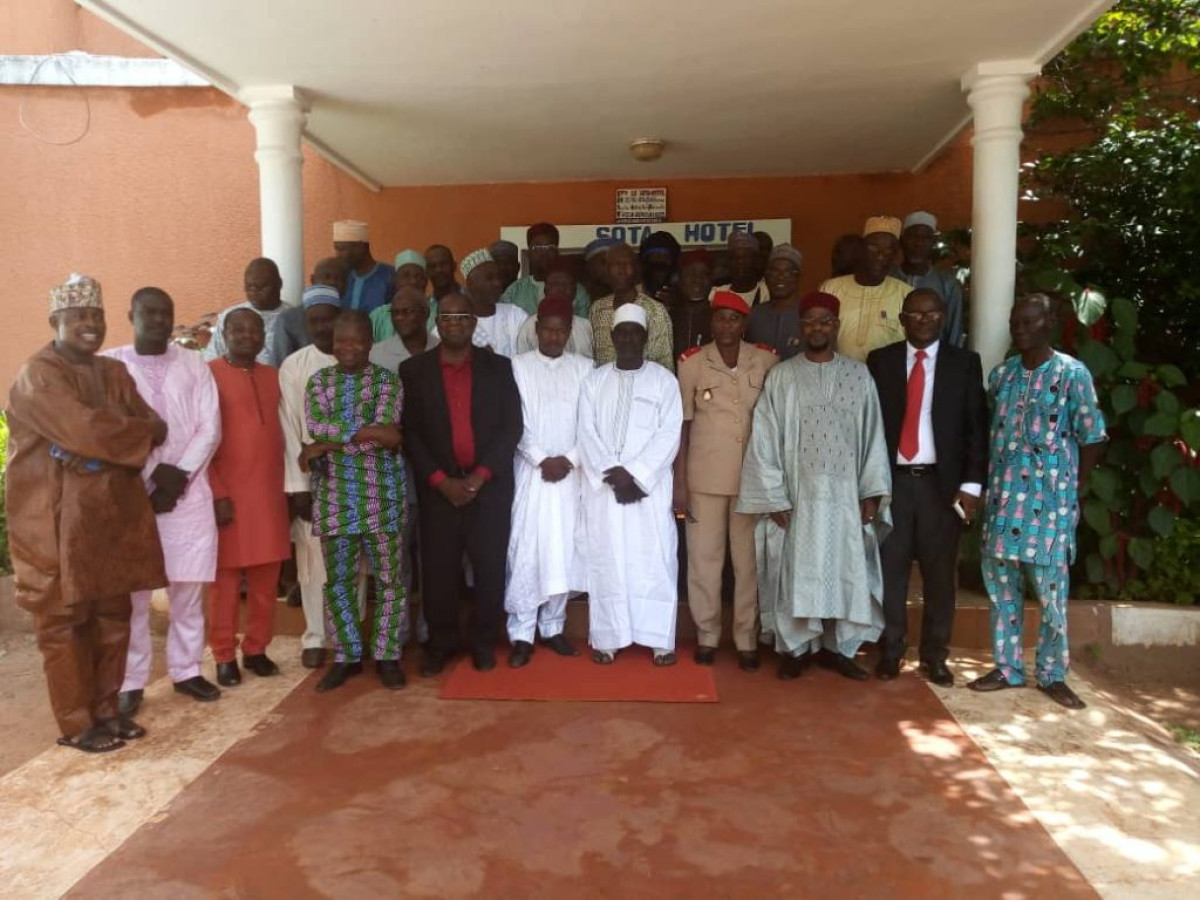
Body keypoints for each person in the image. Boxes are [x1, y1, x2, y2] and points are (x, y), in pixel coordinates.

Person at [6, 274, 167, 752]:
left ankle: (107, 711)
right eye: (78, 317)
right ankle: (77, 725)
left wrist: (100, 448)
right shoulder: (38, 375)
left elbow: (155, 426)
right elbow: (84, 429)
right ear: (55, 321)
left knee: (113, 616)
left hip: (111, 518)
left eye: (96, 315)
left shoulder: (114, 372)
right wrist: (115, 438)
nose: (90, 325)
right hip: (54, 520)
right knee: (64, 622)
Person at [737, 291, 892, 681]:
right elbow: (764, 438)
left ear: (836, 326)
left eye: (825, 321)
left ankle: (839, 649)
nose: (817, 328)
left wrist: (871, 492)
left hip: (845, 498)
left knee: (845, 568)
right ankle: (796, 649)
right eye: (810, 322)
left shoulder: (859, 376)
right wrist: (773, 496)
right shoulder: (783, 376)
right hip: (798, 496)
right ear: (801, 327)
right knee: (796, 570)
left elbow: (873, 435)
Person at [969, 294, 1107, 710]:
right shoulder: (1003, 375)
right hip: (1002, 504)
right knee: (1001, 591)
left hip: (1050, 507)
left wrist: (1073, 488)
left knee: (1051, 596)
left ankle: (1051, 674)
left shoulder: (1071, 373)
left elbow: (1093, 436)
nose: (1020, 329)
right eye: (1016, 322)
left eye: (1030, 322)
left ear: (1050, 324)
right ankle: (1007, 668)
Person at [106, 289, 222, 714]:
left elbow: (210, 427)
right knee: (134, 595)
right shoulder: (111, 365)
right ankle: (131, 681)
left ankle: (187, 670)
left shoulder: (194, 364)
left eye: (165, 313)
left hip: (186, 495)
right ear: (131, 315)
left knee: (187, 590)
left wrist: (176, 478)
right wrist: (147, 477)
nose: (158, 320)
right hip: (131, 495)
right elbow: (107, 429)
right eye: (148, 312)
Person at [867, 288, 987, 685]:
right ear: (902, 320)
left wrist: (971, 486)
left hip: (942, 486)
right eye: (915, 314)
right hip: (893, 484)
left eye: (932, 313)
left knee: (939, 576)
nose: (924, 320)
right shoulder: (881, 361)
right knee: (891, 573)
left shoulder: (964, 364)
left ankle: (935, 656)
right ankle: (891, 651)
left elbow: (976, 428)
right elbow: (868, 427)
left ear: (943, 317)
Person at [400, 292, 523, 674]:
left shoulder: (499, 367)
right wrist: (441, 481)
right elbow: (410, 433)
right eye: (447, 317)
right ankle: (441, 645)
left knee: (489, 569)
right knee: (438, 572)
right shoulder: (414, 371)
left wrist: (478, 478)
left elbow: (511, 428)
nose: (454, 323)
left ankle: (483, 643)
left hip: (487, 488)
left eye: (462, 317)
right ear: (438, 323)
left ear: (474, 323)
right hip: (439, 491)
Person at [303, 310, 408, 692]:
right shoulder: (319, 382)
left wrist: (327, 444)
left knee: (390, 581)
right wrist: (369, 433)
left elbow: (390, 435)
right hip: (335, 498)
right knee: (339, 582)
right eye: (341, 340)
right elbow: (316, 425)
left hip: (383, 496)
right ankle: (346, 656)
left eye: (356, 340)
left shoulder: (387, 381)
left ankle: (387, 656)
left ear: (370, 342)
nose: (348, 347)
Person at [674, 291, 778, 670]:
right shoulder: (692, 363)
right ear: (711, 322)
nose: (726, 326)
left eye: (734, 319)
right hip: (704, 477)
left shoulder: (765, 360)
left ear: (744, 324)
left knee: (748, 564)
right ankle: (706, 634)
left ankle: (746, 637)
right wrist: (679, 482)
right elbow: (683, 427)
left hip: (752, 479)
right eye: (720, 318)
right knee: (704, 560)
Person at [579, 304, 683, 666]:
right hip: (605, 490)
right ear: (611, 337)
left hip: (647, 490)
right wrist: (612, 473)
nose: (627, 339)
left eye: (634, 333)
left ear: (645, 338)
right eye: (621, 333)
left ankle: (659, 640)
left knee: (653, 559)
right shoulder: (595, 381)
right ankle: (609, 638)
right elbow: (586, 431)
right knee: (608, 560)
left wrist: (637, 474)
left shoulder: (664, 381)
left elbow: (669, 434)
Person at [278, 285, 363, 669]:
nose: (323, 327)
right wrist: (299, 489)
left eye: (329, 319)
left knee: (354, 562)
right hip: (313, 479)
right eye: (315, 320)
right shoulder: (294, 366)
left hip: (357, 477)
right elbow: (289, 430)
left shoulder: (359, 362)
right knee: (313, 564)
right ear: (306, 323)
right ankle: (314, 635)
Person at [505, 293, 592, 667]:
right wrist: (541, 458)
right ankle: (521, 633)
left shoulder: (585, 369)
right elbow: (514, 419)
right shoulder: (517, 367)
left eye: (561, 331)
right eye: (548, 330)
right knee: (527, 550)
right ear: (537, 329)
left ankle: (553, 626)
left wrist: (569, 459)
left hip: (571, 476)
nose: (554, 337)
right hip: (531, 474)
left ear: (569, 332)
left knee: (562, 550)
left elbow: (591, 422)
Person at [208, 308, 292, 686]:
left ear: (263, 336)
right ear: (224, 334)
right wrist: (217, 493)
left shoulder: (274, 377)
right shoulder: (209, 375)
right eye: (238, 329)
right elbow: (200, 441)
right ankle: (224, 654)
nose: (246, 335)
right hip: (228, 498)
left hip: (270, 496)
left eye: (254, 330)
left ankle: (256, 648)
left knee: (265, 582)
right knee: (225, 585)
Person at [820, 217, 909, 362]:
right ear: (861, 250)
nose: (880, 256)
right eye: (873, 247)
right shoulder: (831, 288)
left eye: (888, 250)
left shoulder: (905, 294)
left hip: (885, 375)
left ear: (894, 256)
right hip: (838, 373)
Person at [589, 243, 674, 370]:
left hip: (646, 381)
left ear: (636, 270)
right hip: (605, 381)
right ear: (607, 271)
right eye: (615, 264)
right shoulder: (597, 309)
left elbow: (665, 364)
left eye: (627, 264)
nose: (621, 271)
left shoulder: (655, 310)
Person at [892, 211, 965, 348]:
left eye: (926, 238)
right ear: (902, 241)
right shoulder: (888, 278)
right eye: (912, 237)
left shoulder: (947, 284)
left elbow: (954, 334)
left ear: (933, 243)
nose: (918, 243)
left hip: (935, 359)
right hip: (890, 358)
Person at [205, 258, 288, 366]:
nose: (254, 292)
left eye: (262, 287)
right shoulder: (231, 317)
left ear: (279, 284)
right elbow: (212, 359)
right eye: (249, 287)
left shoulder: (293, 318)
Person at [268, 257, 349, 364]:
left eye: (339, 278)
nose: (332, 282)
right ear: (313, 279)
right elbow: (280, 364)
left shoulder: (349, 319)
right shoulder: (288, 319)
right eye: (327, 276)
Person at [500, 222, 590, 317]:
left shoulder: (576, 291)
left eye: (549, 247)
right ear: (528, 253)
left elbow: (583, 324)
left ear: (557, 252)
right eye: (537, 247)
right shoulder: (514, 292)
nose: (544, 253)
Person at [515, 259, 594, 357]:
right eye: (555, 284)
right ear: (545, 289)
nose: (561, 289)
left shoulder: (585, 326)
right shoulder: (528, 328)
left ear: (575, 290)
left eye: (567, 284)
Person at [460, 248, 528, 357]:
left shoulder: (516, 316)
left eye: (498, 277)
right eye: (489, 278)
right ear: (470, 284)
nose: (497, 283)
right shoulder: (455, 322)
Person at [746, 245, 804, 360]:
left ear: (797, 276)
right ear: (766, 276)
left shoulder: (809, 314)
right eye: (774, 271)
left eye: (788, 272)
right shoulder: (754, 315)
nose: (780, 277)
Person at [370, 286, 439, 371]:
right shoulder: (375, 356)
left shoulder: (443, 351)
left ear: (426, 313)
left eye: (408, 311)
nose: (399, 317)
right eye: (395, 312)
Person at [333, 219, 395, 315]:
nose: (338, 255)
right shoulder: (339, 278)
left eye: (342, 249)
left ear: (360, 247)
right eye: (336, 249)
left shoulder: (390, 276)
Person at [370, 249, 428, 341]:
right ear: (395, 280)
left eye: (418, 276)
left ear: (425, 281)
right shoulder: (378, 316)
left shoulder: (437, 313)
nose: (413, 281)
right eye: (406, 275)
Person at [667, 249, 713, 359]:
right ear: (680, 279)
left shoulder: (719, 317)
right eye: (691, 273)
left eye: (704, 274)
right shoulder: (666, 317)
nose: (697, 279)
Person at [717, 232, 768, 307]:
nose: (740, 262)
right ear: (728, 262)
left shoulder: (768, 293)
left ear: (755, 260)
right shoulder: (716, 294)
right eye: (735, 257)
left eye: (746, 257)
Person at [640, 230, 682, 306]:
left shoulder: (684, 295)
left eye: (665, 256)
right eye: (654, 256)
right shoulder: (633, 294)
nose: (659, 260)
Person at [424, 244, 459, 327]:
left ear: (454, 266)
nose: (438, 270)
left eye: (443, 264)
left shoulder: (471, 300)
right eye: (432, 266)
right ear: (426, 271)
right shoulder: (424, 308)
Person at [582, 237, 619, 303]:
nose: (610, 267)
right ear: (590, 265)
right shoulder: (578, 294)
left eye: (615, 263)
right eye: (604, 262)